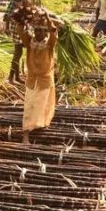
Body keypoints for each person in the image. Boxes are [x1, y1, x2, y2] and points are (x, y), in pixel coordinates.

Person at [20, 15, 59, 143]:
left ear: (45, 32)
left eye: (41, 31)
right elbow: (21, 31)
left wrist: (48, 18)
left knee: (44, 104)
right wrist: (23, 19)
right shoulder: (29, 43)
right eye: (36, 30)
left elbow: (54, 33)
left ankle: (40, 124)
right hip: (32, 79)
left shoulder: (49, 44)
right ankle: (26, 133)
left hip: (45, 79)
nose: (38, 33)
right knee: (29, 105)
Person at [4, 0, 31, 83]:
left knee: (19, 51)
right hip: (17, 24)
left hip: (22, 23)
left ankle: (15, 77)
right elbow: (10, 9)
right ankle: (12, 77)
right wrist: (7, 26)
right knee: (18, 51)